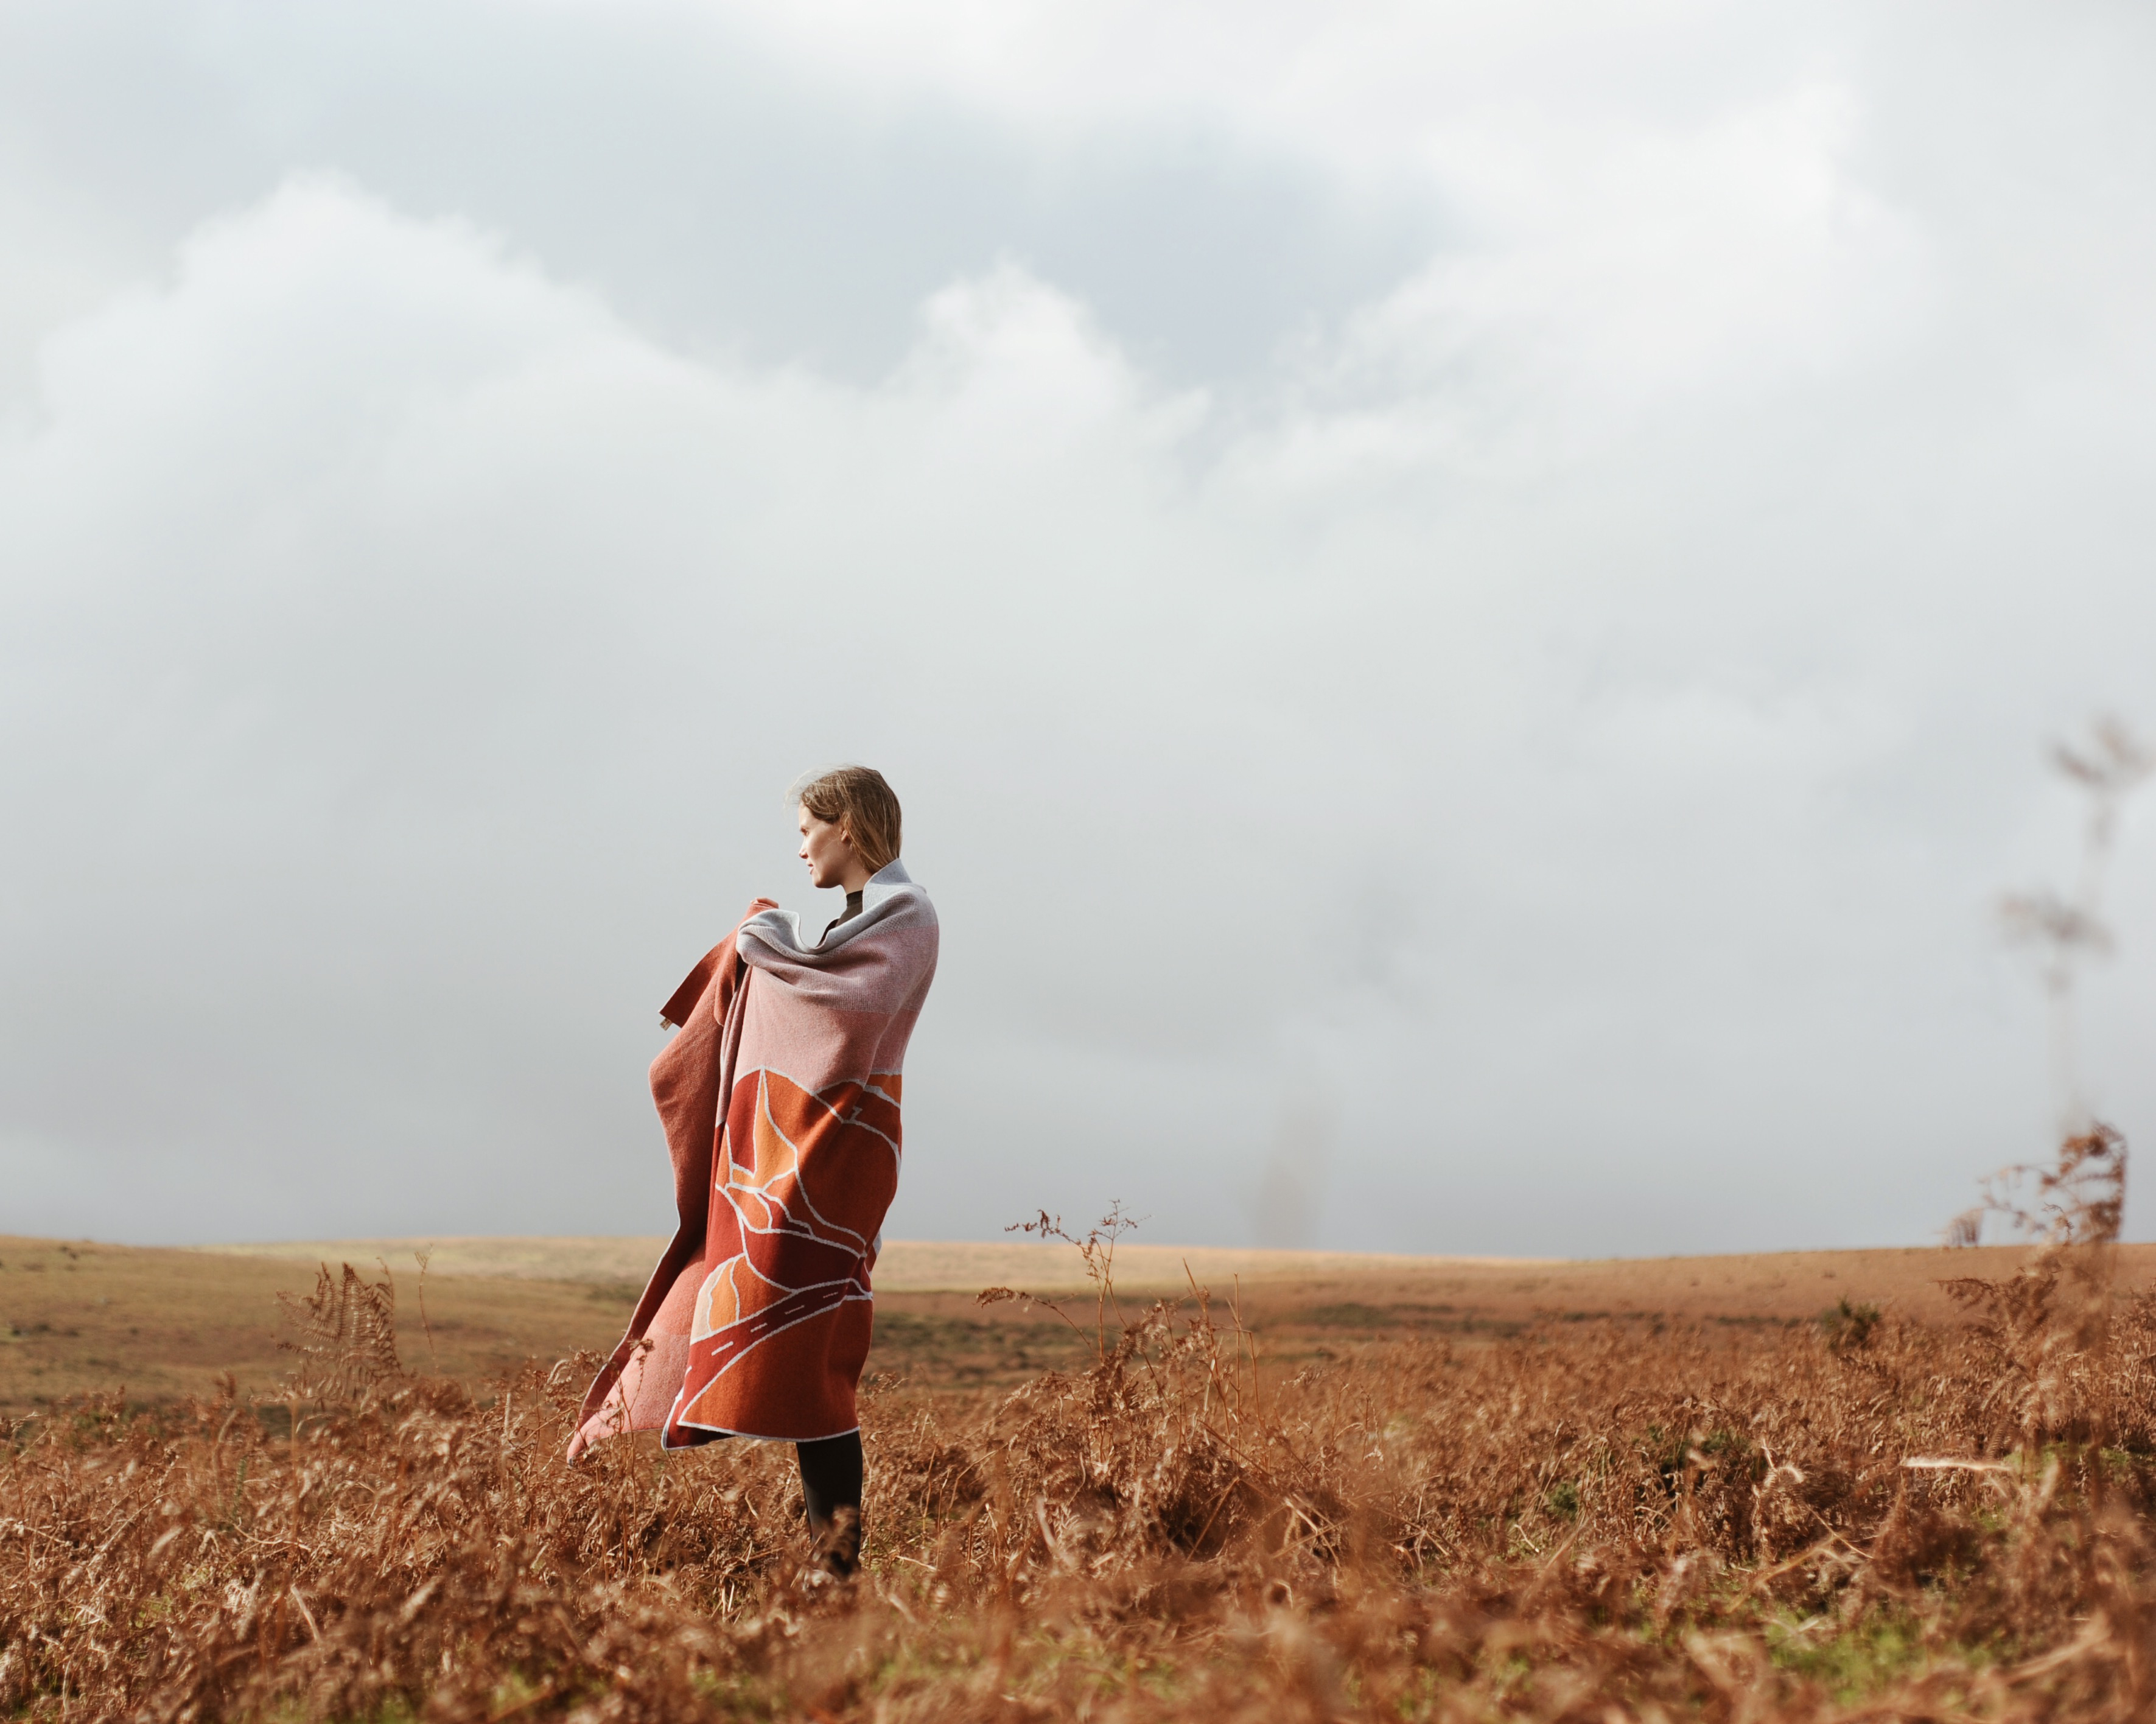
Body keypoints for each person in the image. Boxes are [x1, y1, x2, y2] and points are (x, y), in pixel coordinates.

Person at [566, 766, 939, 1582]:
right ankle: (831, 1566)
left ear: (846, 827)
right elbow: (822, 981)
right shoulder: (858, 916)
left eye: (808, 828)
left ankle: (835, 1567)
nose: (800, 846)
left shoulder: (906, 914)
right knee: (808, 1357)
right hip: (798, 1152)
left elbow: (850, 1008)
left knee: (818, 1352)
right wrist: (769, 946)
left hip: (837, 1155)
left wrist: (762, 942)